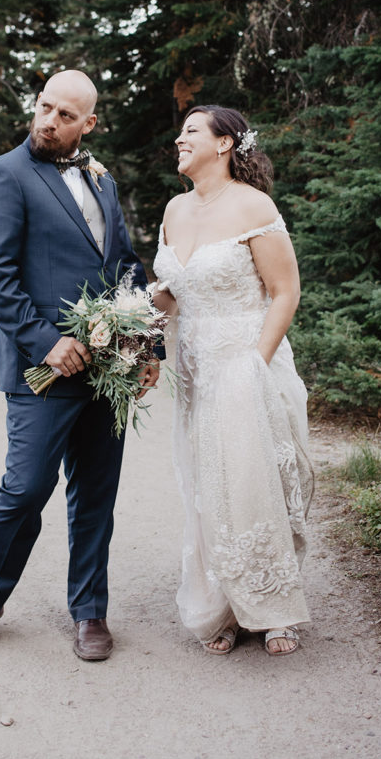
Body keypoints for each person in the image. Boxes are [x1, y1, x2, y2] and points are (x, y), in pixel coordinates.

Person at [0, 69, 160, 662]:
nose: (48, 122)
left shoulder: (102, 178)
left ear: (89, 124)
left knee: (96, 495)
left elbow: (125, 265)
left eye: (65, 116)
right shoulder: (5, 175)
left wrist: (147, 347)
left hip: (107, 368)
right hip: (43, 369)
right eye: (44, 108)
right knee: (25, 487)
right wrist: (44, 342)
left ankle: (90, 612)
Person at [152, 104, 314, 657]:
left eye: (191, 131)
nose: (180, 139)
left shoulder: (253, 205)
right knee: (207, 482)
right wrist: (130, 316)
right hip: (196, 365)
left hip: (247, 356)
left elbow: (285, 291)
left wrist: (255, 363)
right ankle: (222, 603)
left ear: (224, 144)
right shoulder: (174, 209)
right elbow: (175, 290)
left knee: (250, 476)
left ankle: (273, 610)